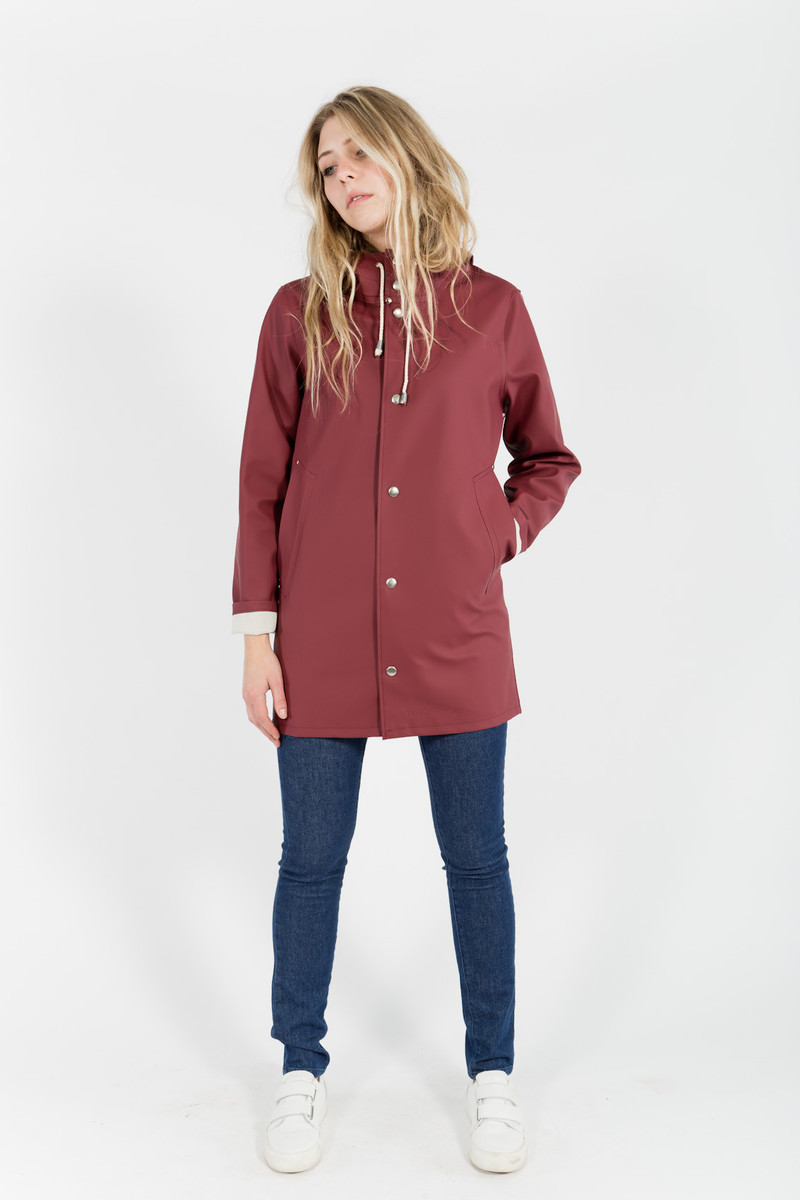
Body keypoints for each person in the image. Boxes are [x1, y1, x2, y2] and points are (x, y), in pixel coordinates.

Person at [231, 85, 581, 1175]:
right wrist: (256, 636)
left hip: (455, 629)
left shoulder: (493, 309)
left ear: (405, 154)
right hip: (320, 636)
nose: (342, 179)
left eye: (356, 155)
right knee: (309, 863)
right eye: (326, 168)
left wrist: (496, 530)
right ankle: (299, 1069)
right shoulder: (299, 313)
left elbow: (547, 458)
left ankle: (492, 1074)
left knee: (476, 860)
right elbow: (261, 482)